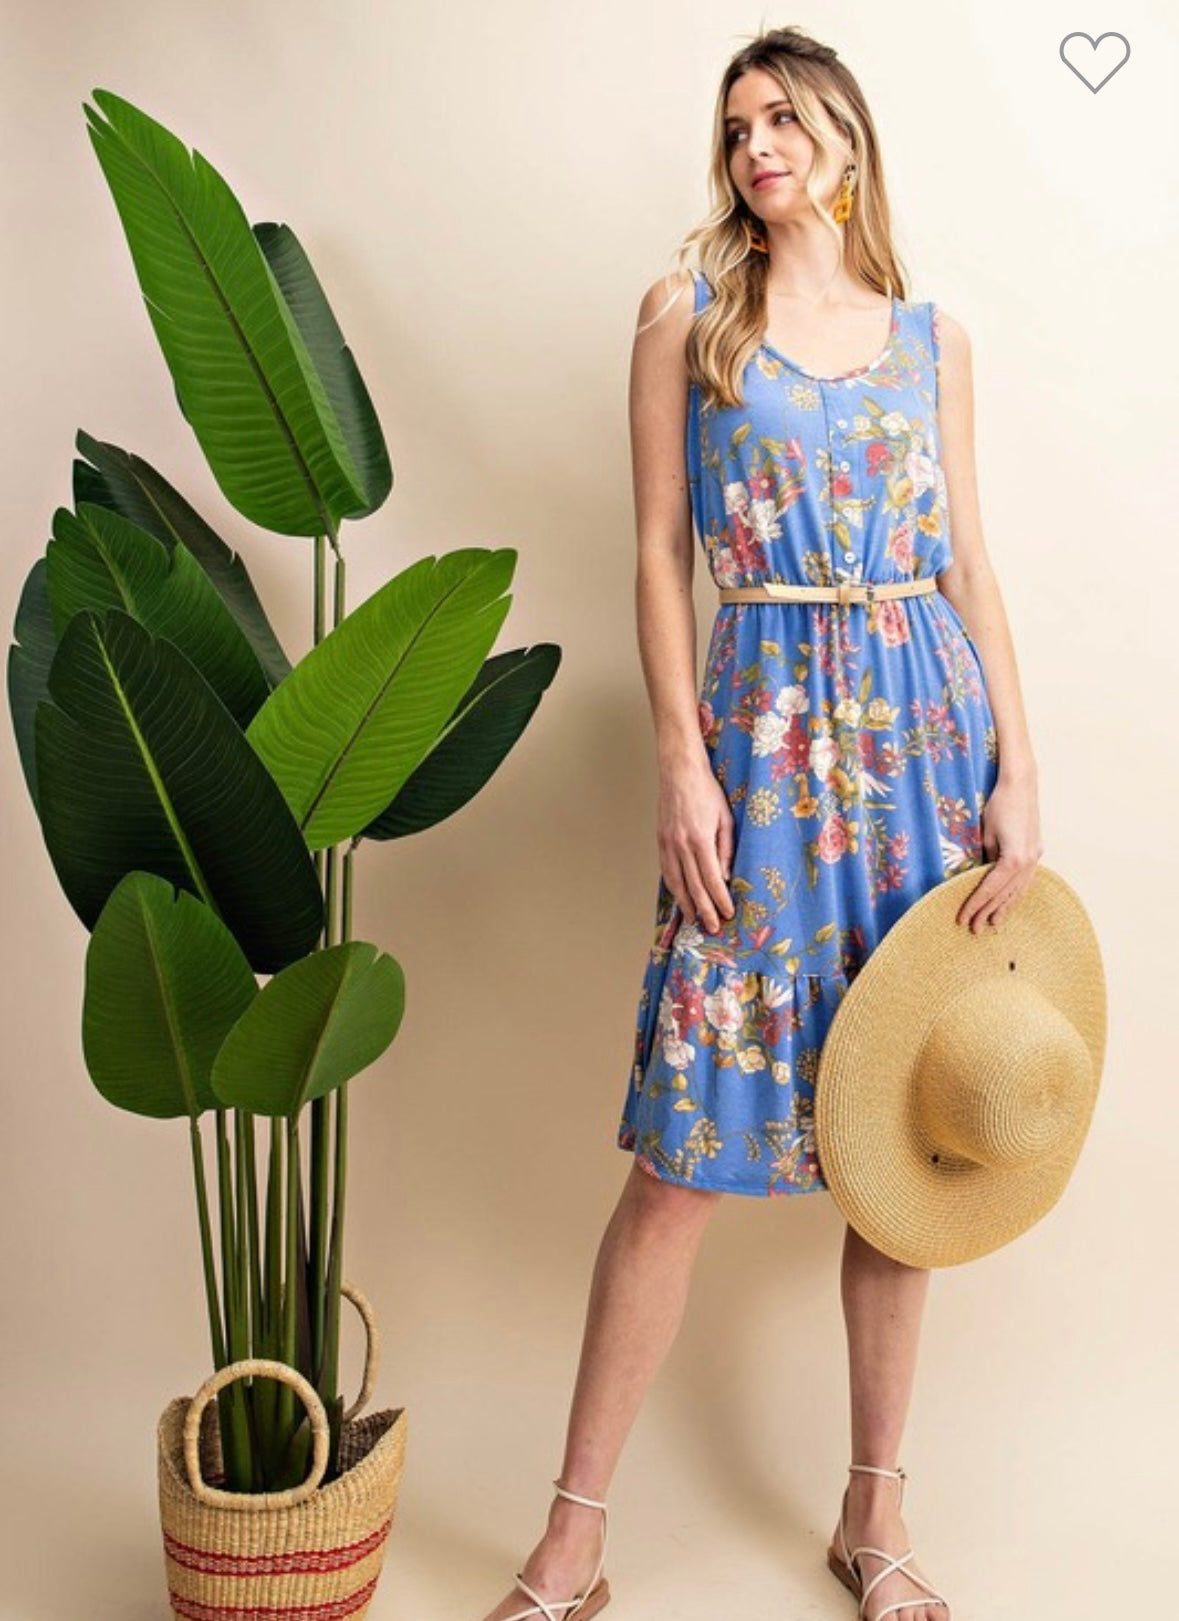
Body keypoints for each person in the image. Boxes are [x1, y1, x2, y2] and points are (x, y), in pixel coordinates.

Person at [479, 24, 1042, 1621]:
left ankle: (876, 1523)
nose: (754, 147)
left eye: (783, 118)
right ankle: (572, 1541)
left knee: (908, 1144)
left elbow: (971, 568)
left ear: (847, 142)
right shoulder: (688, 319)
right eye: (736, 127)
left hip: (927, 746)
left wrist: (1020, 770)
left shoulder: (936, 340)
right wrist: (680, 757)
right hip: (763, 741)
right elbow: (660, 549)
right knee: (680, 1161)